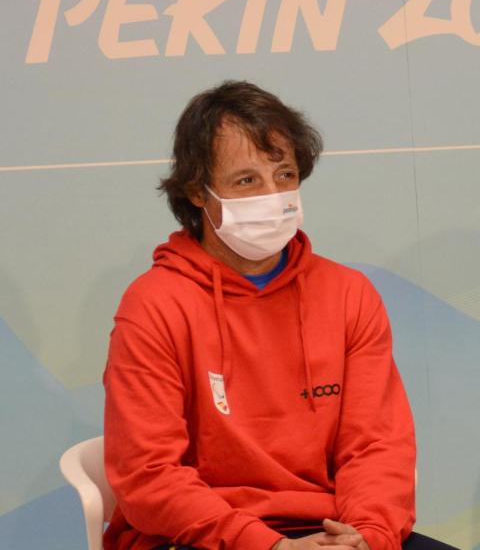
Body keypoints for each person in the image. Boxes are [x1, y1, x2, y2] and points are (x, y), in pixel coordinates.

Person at [103, 81, 456, 550]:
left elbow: (376, 447)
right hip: (201, 536)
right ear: (197, 193)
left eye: (284, 175)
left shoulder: (348, 294)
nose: (273, 195)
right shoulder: (155, 304)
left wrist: (368, 537)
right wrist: (267, 546)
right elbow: (148, 477)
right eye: (247, 180)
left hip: (331, 529)